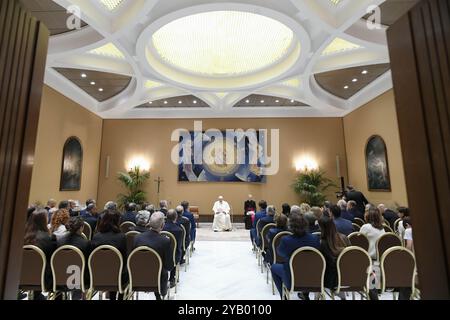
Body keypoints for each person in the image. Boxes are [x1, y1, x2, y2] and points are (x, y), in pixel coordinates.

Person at [271, 210, 320, 298]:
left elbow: (280, 253)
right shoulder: (315, 238)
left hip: (293, 279)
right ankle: (305, 294)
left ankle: (283, 296)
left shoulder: (286, 240)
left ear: (290, 226)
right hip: (314, 278)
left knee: (274, 267)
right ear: (306, 224)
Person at [134, 212, 174, 300]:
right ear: (162, 225)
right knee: (162, 271)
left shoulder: (137, 238)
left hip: (138, 278)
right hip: (158, 280)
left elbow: (132, 260)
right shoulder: (165, 241)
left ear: (149, 223)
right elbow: (169, 266)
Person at [91, 209, 127, 300]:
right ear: (117, 221)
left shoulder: (96, 237)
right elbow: (123, 259)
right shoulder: (121, 237)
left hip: (97, 274)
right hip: (117, 276)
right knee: (124, 270)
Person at [24, 208, 57, 300]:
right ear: (43, 221)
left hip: (20, 275)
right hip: (43, 278)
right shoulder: (49, 238)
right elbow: (53, 259)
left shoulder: (22, 236)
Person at [57, 216, 90, 299]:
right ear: (81, 227)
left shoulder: (59, 241)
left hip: (61, 276)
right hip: (79, 278)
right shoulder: (85, 243)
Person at [318, 215, 349, 297]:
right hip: (347, 276)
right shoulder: (343, 237)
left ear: (321, 228)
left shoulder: (322, 243)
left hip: (329, 280)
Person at [163, 209, 183, 288]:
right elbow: (179, 246)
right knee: (177, 252)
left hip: (160, 254)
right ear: (176, 217)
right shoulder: (179, 230)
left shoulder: (161, 227)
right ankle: (172, 278)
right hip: (174, 256)